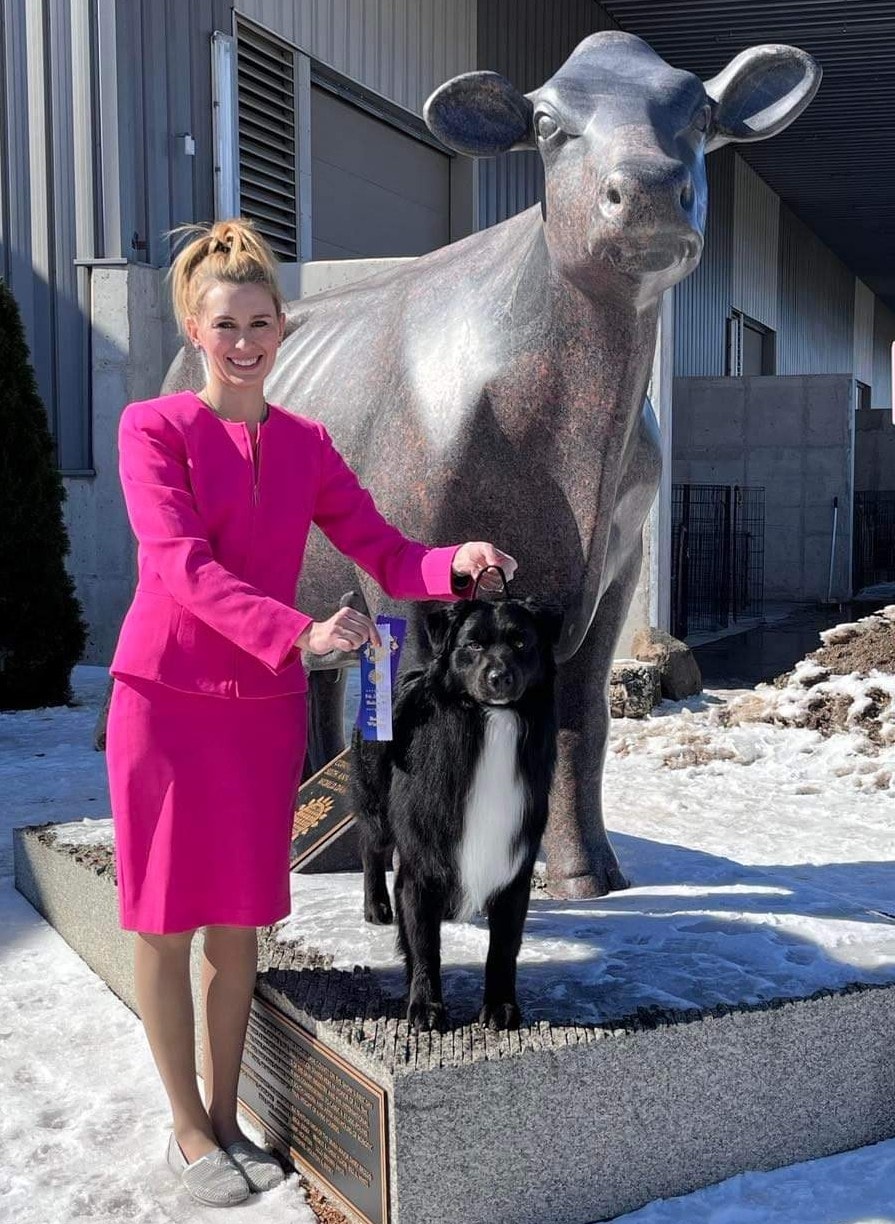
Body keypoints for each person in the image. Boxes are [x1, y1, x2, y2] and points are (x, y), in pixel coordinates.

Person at [105, 218, 517, 1207]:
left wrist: (452, 564)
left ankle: (228, 1117)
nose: (244, 341)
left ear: (281, 328)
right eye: (224, 324)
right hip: (164, 704)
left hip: (260, 714)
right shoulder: (152, 429)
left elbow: (384, 550)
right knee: (165, 922)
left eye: (260, 322)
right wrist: (296, 630)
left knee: (238, 924)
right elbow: (179, 566)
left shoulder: (305, 444)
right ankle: (188, 1131)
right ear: (195, 331)